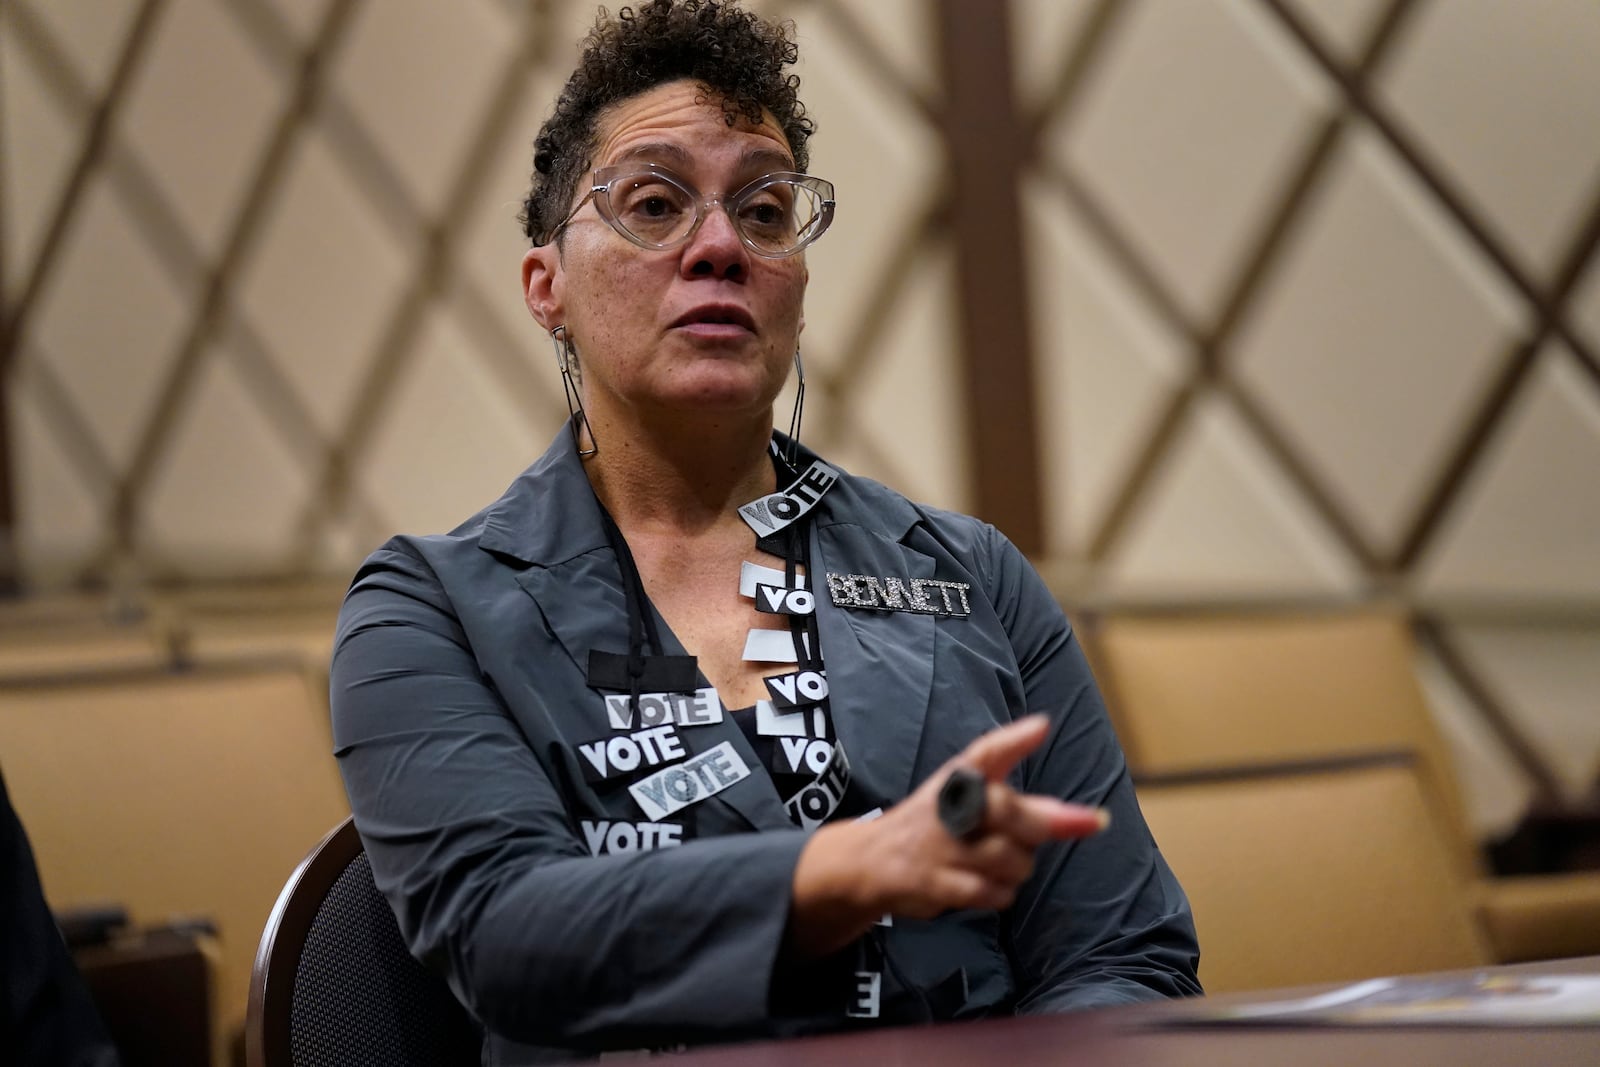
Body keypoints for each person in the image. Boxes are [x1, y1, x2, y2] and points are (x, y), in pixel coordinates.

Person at [330, 1, 1201, 1061]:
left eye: (765, 209)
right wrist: (844, 869)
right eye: (653, 203)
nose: (718, 247)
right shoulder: (429, 607)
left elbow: (1122, 954)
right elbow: (507, 933)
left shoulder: (971, 574)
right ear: (545, 286)